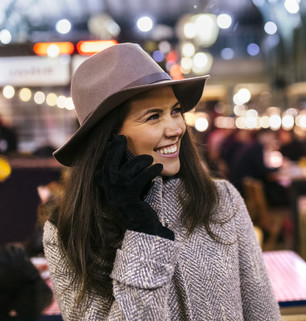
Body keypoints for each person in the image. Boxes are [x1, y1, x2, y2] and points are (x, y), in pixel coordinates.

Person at [42, 43, 281, 320]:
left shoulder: (221, 198)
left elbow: (262, 311)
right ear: (108, 139)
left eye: (176, 111)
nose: (177, 128)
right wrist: (144, 235)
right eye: (154, 116)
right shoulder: (67, 228)